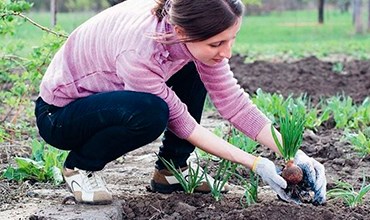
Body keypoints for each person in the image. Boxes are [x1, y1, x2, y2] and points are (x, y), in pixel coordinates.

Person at [35, 0, 326, 205]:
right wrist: (256, 163)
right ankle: (80, 166)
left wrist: (293, 153)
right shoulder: (139, 51)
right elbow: (183, 123)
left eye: (231, 39)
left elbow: (233, 102)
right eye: (217, 44)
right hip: (61, 115)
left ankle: (171, 170)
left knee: (194, 64)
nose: (227, 52)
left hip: (107, 99)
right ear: (183, 33)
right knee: (151, 113)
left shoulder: (187, 31)